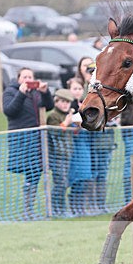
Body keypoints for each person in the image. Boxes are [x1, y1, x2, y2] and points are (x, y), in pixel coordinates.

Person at [3, 67, 54, 219]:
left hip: (37, 139)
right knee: (28, 170)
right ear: (18, 79)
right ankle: (27, 211)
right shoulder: (10, 92)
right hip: (21, 140)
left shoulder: (36, 92)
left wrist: (46, 92)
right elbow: (9, 110)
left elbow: (49, 106)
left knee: (35, 172)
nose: (27, 79)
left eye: (30, 77)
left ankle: (29, 210)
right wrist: (21, 93)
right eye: (24, 76)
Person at [76, 55, 116, 211]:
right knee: (88, 173)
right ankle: (90, 205)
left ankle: (99, 205)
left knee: (101, 173)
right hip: (86, 139)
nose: (92, 73)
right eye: (89, 71)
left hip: (103, 140)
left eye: (94, 70)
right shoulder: (82, 88)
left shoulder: (104, 89)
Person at [46, 88, 76, 217]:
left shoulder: (66, 115)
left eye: (68, 102)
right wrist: (66, 123)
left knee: (64, 183)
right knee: (59, 183)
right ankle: (56, 209)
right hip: (57, 155)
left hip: (67, 154)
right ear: (56, 102)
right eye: (62, 101)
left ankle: (61, 209)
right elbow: (55, 131)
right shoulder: (53, 115)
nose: (65, 105)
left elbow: (72, 132)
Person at [66, 76, 93, 215]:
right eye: (74, 88)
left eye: (79, 88)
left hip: (84, 144)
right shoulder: (67, 106)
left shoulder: (84, 104)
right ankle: (73, 206)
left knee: (85, 177)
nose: (77, 91)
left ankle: (80, 206)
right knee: (76, 178)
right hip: (73, 146)